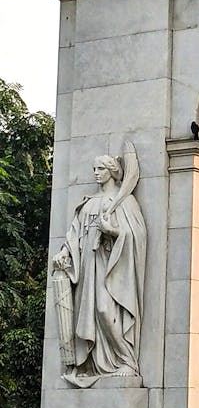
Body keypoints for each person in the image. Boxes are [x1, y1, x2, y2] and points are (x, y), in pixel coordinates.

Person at [51, 144, 147, 386]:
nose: (95, 173)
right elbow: (74, 234)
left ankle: (126, 360)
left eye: (100, 168)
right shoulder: (89, 203)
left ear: (112, 172)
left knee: (105, 310)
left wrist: (112, 231)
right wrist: (64, 253)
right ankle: (91, 363)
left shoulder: (124, 202)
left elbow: (136, 235)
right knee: (89, 314)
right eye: (94, 168)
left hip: (110, 266)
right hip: (88, 267)